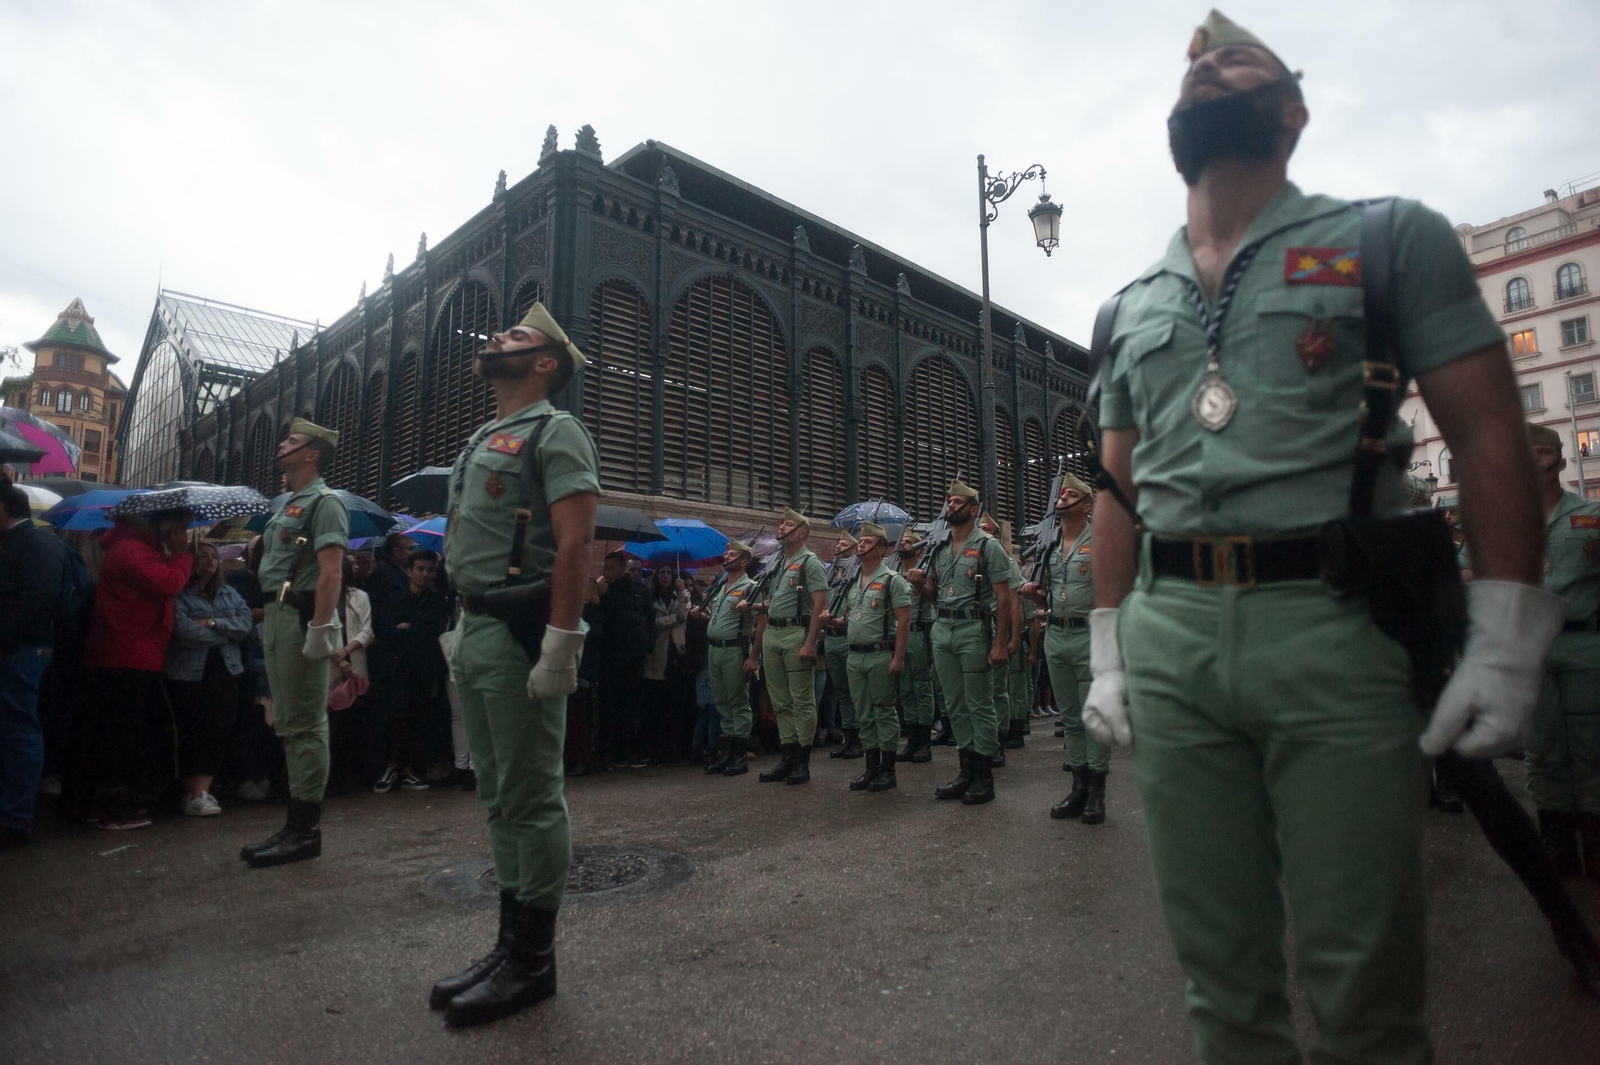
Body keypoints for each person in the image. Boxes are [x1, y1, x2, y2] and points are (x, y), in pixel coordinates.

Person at [1083, 12, 1567, 1061]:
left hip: (1334, 627)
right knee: (1219, 982)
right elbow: (1114, 488)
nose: (1209, 68)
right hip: (1169, 640)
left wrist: (1505, 625)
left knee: (1363, 988)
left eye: (1238, 60)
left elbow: (1488, 427)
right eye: (1195, 67)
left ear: (1291, 111)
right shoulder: (1127, 306)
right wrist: (1106, 644)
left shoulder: (1384, 239)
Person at [432, 301, 598, 1027]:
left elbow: (573, 547)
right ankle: (509, 944)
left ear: (544, 364)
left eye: (518, 336)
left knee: (532, 794)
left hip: (520, 628)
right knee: (497, 793)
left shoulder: (557, 430)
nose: (497, 335)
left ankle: (535, 958)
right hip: (472, 624)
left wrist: (562, 642)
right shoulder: (482, 436)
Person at [239, 419, 350, 868]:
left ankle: (305, 831)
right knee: (288, 719)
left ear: (312, 454)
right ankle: (294, 824)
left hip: (302, 618)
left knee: (305, 721)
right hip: (279, 616)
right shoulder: (288, 505)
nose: (281, 444)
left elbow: (331, 571)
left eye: (292, 440)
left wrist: (322, 629)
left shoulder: (325, 503)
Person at [76, 508, 194, 829]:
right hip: (126, 652)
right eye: (180, 526)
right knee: (119, 734)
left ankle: (102, 802)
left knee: (123, 732)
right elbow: (169, 583)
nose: (183, 533)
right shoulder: (131, 550)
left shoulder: (139, 548)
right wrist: (182, 556)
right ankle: (110, 809)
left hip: (136, 652)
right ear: (162, 524)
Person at [904, 480, 1013, 806]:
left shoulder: (988, 547)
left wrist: (1000, 642)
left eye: (958, 503)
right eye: (949, 502)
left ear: (973, 508)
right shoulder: (938, 548)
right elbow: (933, 594)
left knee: (979, 704)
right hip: (943, 628)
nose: (951, 507)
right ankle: (965, 771)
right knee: (954, 703)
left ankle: (983, 775)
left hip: (973, 630)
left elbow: (1003, 596)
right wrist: (920, 585)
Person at [1523, 423, 1600, 876]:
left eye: (1544, 451)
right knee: (1542, 746)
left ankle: (1594, 838)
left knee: (1592, 745)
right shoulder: (1503, 520)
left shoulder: (1591, 514)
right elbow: (1469, 571)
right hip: (1529, 648)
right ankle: (1555, 843)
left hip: (1585, 646)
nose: (1535, 460)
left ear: (1561, 460)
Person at [1019, 474, 1106, 824]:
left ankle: (1097, 792)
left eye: (1072, 495)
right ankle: (1079, 787)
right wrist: (1035, 593)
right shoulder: (1049, 545)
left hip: (1088, 635)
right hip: (1056, 634)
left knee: (1092, 716)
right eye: (1062, 495)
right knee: (1070, 717)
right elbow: (1048, 592)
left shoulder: (1100, 539)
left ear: (1086, 505)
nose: (1063, 499)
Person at [0, 479, 68, 847]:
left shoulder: (35, 542)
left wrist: (6, 642)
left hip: (22, 651)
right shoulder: (19, 542)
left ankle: (15, 819)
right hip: (19, 648)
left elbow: (38, 600)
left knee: (19, 730)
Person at [163, 541, 252, 817]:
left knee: (217, 729)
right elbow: (184, 631)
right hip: (188, 672)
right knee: (190, 730)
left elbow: (245, 623)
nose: (210, 560)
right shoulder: (180, 593)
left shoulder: (229, 593)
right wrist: (225, 633)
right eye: (202, 555)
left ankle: (202, 792)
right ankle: (190, 792)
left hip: (224, 671)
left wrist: (214, 624)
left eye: (214, 555)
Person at [748, 507, 827, 785]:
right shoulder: (776, 562)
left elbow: (820, 604)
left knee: (802, 700)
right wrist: (757, 606)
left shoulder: (810, 562)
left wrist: (810, 641)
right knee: (780, 702)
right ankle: (787, 755)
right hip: (773, 632)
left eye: (789, 525)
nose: (782, 528)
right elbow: (772, 601)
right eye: (781, 525)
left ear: (802, 532)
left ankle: (802, 762)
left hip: (796, 632)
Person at [372, 548, 449, 792]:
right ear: (409, 571)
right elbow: (386, 632)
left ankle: (409, 770)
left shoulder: (436, 602)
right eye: (420, 569)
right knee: (395, 717)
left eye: (430, 570)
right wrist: (410, 630)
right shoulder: (393, 599)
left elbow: (432, 632)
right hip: (396, 668)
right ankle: (392, 766)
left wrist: (408, 627)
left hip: (423, 668)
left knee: (418, 718)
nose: (425, 574)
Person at [843, 521, 911, 793]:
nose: (861, 545)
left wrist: (898, 657)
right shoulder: (853, 580)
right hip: (855, 656)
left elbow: (904, 621)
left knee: (883, 711)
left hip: (880, 653)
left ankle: (888, 769)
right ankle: (870, 767)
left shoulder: (891, 580)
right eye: (860, 541)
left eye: (868, 542)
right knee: (864, 713)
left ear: (882, 549)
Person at [690, 540, 759, 776]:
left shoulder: (750, 587)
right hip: (715, 649)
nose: (726, 556)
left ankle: (739, 755)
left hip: (734, 650)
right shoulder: (721, 587)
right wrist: (704, 615)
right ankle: (727, 753)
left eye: (732, 554)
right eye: (726, 553)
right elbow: (720, 620)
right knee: (722, 703)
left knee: (738, 701)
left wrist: (754, 656)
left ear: (744, 561)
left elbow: (761, 623)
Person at [327, 551, 377, 794]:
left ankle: (354, 775)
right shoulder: (320, 596)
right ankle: (332, 777)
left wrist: (346, 652)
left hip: (355, 664)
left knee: (355, 720)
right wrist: (337, 656)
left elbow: (367, 630)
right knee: (331, 722)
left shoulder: (360, 596)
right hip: (329, 666)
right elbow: (318, 630)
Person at [597, 549, 651, 769]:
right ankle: (606, 752)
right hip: (610, 655)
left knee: (629, 705)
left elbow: (643, 616)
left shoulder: (636, 590)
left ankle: (625, 750)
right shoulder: (603, 590)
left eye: (611, 568)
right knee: (608, 705)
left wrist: (647, 645)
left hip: (632, 655)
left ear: (621, 568)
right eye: (605, 568)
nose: (607, 573)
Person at [893, 529, 937, 765]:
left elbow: (933, 597)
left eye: (908, 542)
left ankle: (924, 742)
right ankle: (911, 740)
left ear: (919, 548)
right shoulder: (892, 572)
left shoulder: (925, 570)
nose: (903, 546)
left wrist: (919, 584)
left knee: (922, 686)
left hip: (920, 631)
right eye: (901, 542)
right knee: (906, 687)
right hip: (899, 635)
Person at [820, 528, 861, 759]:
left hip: (847, 636)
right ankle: (849, 736)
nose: (838, 548)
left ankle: (860, 739)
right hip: (831, 638)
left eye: (843, 545)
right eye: (838, 545)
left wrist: (838, 620)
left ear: (854, 549)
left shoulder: (856, 573)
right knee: (842, 692)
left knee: (855, 691)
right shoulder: (831, 572)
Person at [641, 564, 689, 764]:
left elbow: (684, 615)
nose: (666, 576)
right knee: (656, 706)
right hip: (657, 655)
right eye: (662, 572)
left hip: (676, 653)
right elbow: (651, 623)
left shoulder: (680, 595)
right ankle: (657, 750)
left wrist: (681, 591)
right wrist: (672, 620)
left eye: (669, 572)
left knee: (676, 705)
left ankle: (676, 748)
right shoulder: (649, 597)